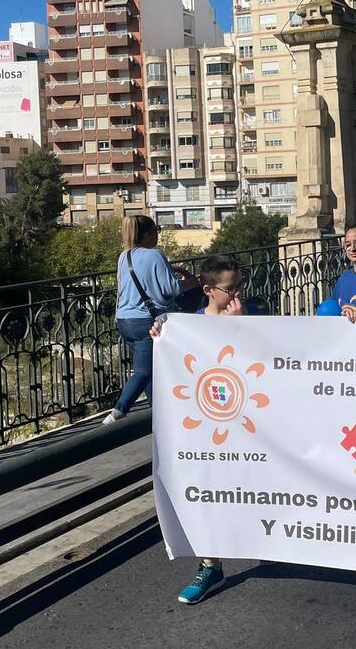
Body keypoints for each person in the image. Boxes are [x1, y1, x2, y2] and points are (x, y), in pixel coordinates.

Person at [158, 255, 248, 604]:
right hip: (206, 425)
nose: (237, 294)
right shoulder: (190, 325)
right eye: (231, 289)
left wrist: (241, 328)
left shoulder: (244, 316)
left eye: (240, 286)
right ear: (209, 290)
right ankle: (209, 564)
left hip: (244, 425)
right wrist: (161, 334)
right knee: (208, 490)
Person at [106, 215, 197, 424]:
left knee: (152, 369)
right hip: (147, 320)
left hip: (124, 319)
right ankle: (116, 414)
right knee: (144, 371)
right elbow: (170, 289)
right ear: (146, 233)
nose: (158, 233)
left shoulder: (124, 255)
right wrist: (193, 282)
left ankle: (156, 413)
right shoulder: (155, 255)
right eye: (156, 229)